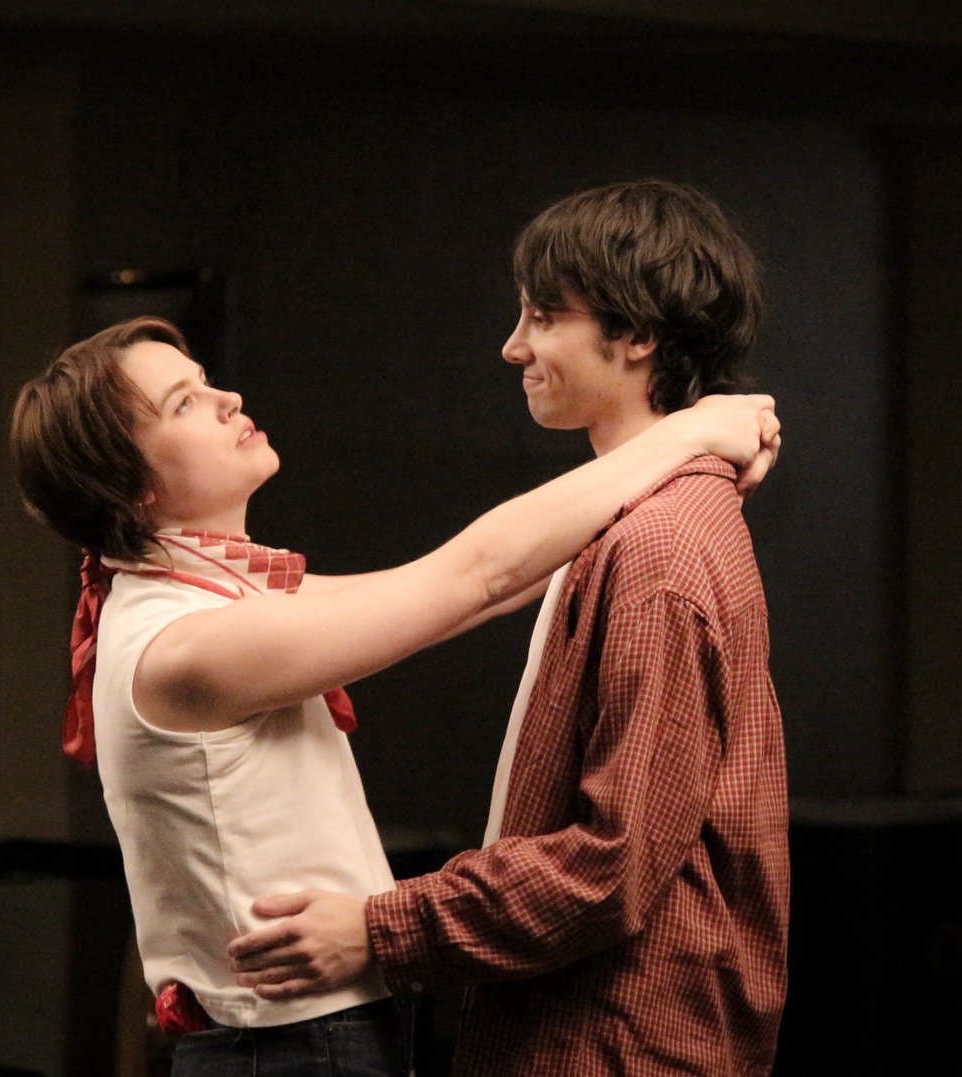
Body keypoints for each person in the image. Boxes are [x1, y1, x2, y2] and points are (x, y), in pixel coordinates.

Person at [9, 313, 781, 1077]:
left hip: (308, 1040)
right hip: (287, 1051)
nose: (228, 399)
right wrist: (692, 433)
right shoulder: (185, 645)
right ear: (133, 487)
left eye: (206, 382)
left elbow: (482, 591)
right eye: (184, 403)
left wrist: (686, 463)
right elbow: (472, 576)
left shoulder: (201, 602)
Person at [228, 179, 790, 1075]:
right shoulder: (631, 519)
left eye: (544, 315)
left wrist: (379, 929)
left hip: (612, 1046)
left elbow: (612, 866)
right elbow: (462, 585)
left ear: (639, 334)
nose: (513, 345)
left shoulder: (659, 548)